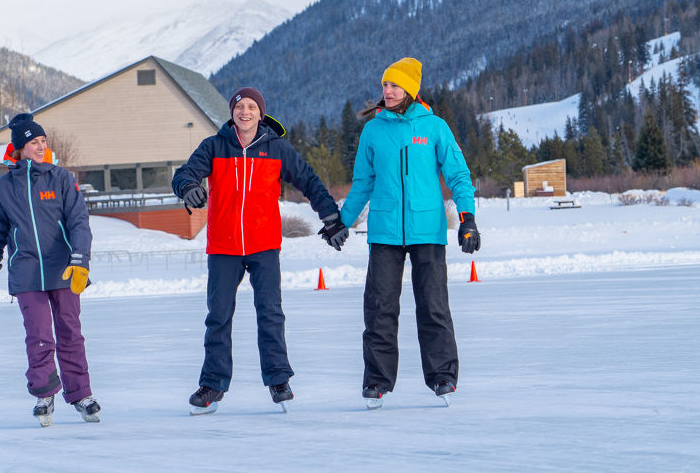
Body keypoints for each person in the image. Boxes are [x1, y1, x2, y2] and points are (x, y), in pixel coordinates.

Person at [172, 86, 349, 414]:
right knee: (218, 316)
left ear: (261, 113)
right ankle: (213, 384)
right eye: (240, 107)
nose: (245, 112)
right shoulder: (214, 146)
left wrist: (331, 218)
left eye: (252, 107)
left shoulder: (277, 149)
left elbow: (309, 181)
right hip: (224, 246)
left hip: (263, 243)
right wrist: (189, 188)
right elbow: (183, 175)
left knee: (270, 313)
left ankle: (278, 379)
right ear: (232, 112)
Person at [339, 57, 480, 410]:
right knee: (379, 308)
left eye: (395, 86)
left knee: (433, 307)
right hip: (385, 232)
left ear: (411, 91)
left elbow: (459, 175)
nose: (387, 91)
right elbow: (362, 184)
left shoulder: (434, 127)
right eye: (385, 85)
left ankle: (442, 376)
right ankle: (377, 381)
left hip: (427, 231)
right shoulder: (373, 130)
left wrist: (467, 218)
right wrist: (343, 221)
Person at [0, 113, 100, 427]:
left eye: (43, 141)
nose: (40, 146)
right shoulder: (3, 188)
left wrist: (80, 261)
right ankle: (44, 394)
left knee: (70, 334)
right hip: (26, 273)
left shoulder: (60, 178)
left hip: (64, 270)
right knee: (39, 336)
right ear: (19, 147)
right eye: (34, 142)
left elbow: (78, 222)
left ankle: (81, 394)